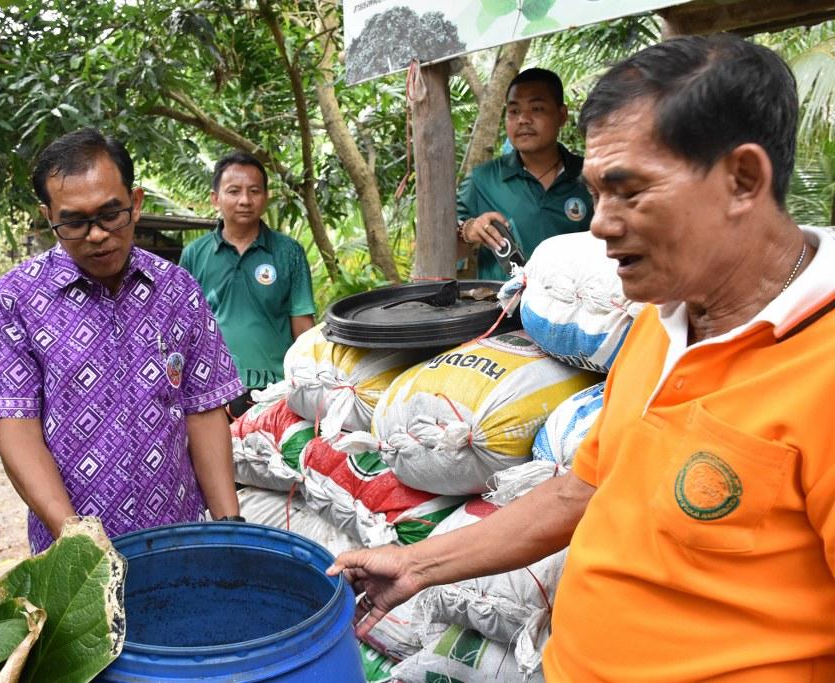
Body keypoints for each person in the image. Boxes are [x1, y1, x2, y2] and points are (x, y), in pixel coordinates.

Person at [330, 35, 835, 681]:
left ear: (742, 179)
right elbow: (586, 486)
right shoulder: (663, 322)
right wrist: (417, 564)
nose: (599, 223)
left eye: (628, 191)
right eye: (596, 193)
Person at [0, 128, 245, 554]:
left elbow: (204, 411)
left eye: (110, 214)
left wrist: (230, 526)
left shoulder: (179, 291)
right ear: (48, 216)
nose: (97, 234)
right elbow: (17, 430)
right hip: (72, 553)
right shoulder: (12, 301)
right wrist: (77, 542)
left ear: (135, 203)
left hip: (178, 540)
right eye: (75, 222)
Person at [180, 151, 316, 418]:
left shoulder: (289, 252)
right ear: (215, 198)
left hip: (276, 391)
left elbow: (303, 327)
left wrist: (312, 384)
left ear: (265, 197)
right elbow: (183, 327)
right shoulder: (194, 255)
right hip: (212, 393)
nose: (244, 200)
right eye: (233, 191)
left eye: (254, 191)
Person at [456, 68, 592, 280]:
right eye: (514, 111)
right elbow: (444, 251)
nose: (523, 119)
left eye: (536, 109)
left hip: (580, 308)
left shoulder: (591, 176)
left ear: (562, 115)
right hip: (506, 310)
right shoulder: (482, 180)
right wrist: (468, 231)